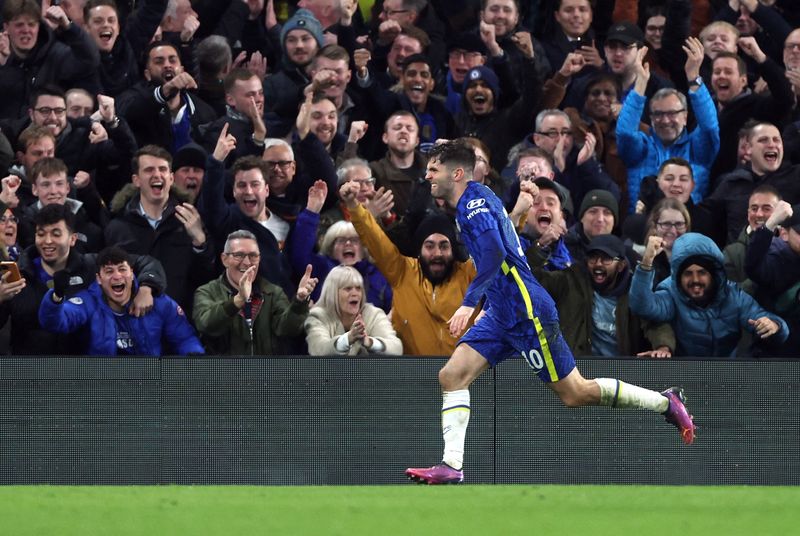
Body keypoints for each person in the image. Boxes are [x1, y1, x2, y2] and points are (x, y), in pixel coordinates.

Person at [405, 140, 696, 486]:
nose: (427, 175)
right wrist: (518, 211)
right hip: (502, 311)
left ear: (455, 173)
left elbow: (495, 252)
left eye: (433, 169)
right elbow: (503, 236)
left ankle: (665, 403)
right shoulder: (479, 197)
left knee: (576, 393)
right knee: (451, 376)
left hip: (527, 312)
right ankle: (451, 465)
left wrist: (469, 303)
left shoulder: (472, 207)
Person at [0, 204, 166, 355]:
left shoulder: (92, 266)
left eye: (56, 234)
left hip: (82, 374)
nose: (47, 241)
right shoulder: (17, 274)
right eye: (41, 234)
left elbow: (146, 262)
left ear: (72, 239)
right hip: (29, 376)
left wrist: (146, 287)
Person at [340, 179, 477, 356]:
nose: (437, 254)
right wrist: (353, 205)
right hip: (411, 376)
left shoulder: (469, 274)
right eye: (429, 246)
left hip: (466, 377)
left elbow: (498, 252)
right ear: (419, 251)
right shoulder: (402, 272)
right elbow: (374, 239)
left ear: (453, 250)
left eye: (444, 246)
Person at [630, 232, 789, 357]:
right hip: (683, 372)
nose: (695, 280)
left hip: (726, 374)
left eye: (702, 272)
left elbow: (772, 326)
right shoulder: (671, 293)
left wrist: (775, 325)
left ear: (714, 275)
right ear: (678, 277)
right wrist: (646, 263)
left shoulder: (733, 295)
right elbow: (642, 306)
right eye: (688, 274)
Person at [38, 245, 203, 356]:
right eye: (109, 271)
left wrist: (194, 363)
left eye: (122, 269)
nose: (117, 276)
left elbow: (185, 339)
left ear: (131, 273)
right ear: (99, 279)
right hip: (103, 389)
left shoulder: (159, 303)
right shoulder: (88, 302)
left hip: (149, 386)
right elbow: (55, 322)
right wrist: (57, 296)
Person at [532, 233, 675, 357]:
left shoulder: (634, 291)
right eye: (593, 258)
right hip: (577, 370)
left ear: (621, 265)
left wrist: (663, 346)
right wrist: (539, 248)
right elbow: (531, 281)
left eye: (606, 259)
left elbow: (654, 322)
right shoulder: (571, 280)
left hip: (622, 372)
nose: (598, 264)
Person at [616, 38, 719, 209]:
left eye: (672, 113)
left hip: (688, 229)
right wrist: (641, 83)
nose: (665, 120)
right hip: (644, 228)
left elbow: (709, 127)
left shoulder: (697, 149)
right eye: (658, 114)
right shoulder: (641, 149)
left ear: (685, 117)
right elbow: (625, 133)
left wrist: (694, 78)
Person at [193, 230, 317, 356]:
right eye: (239, 255)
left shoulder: (273, 292)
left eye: (253, 255)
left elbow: (288, 330)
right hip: (224, 373)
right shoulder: (207, 292)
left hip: (266, 372)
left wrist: (299, 301)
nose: (247, 262)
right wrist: (237, 301)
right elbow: (207, 324)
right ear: (224, 259)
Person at [305, 265, 402, 356]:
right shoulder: (318, 316)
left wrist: (370, 342)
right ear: (333, 293)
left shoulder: (373, 314)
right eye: (348, 289)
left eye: (358, 288)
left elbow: (396, 348)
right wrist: (347, 339)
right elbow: (319, 350)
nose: (355, 293)